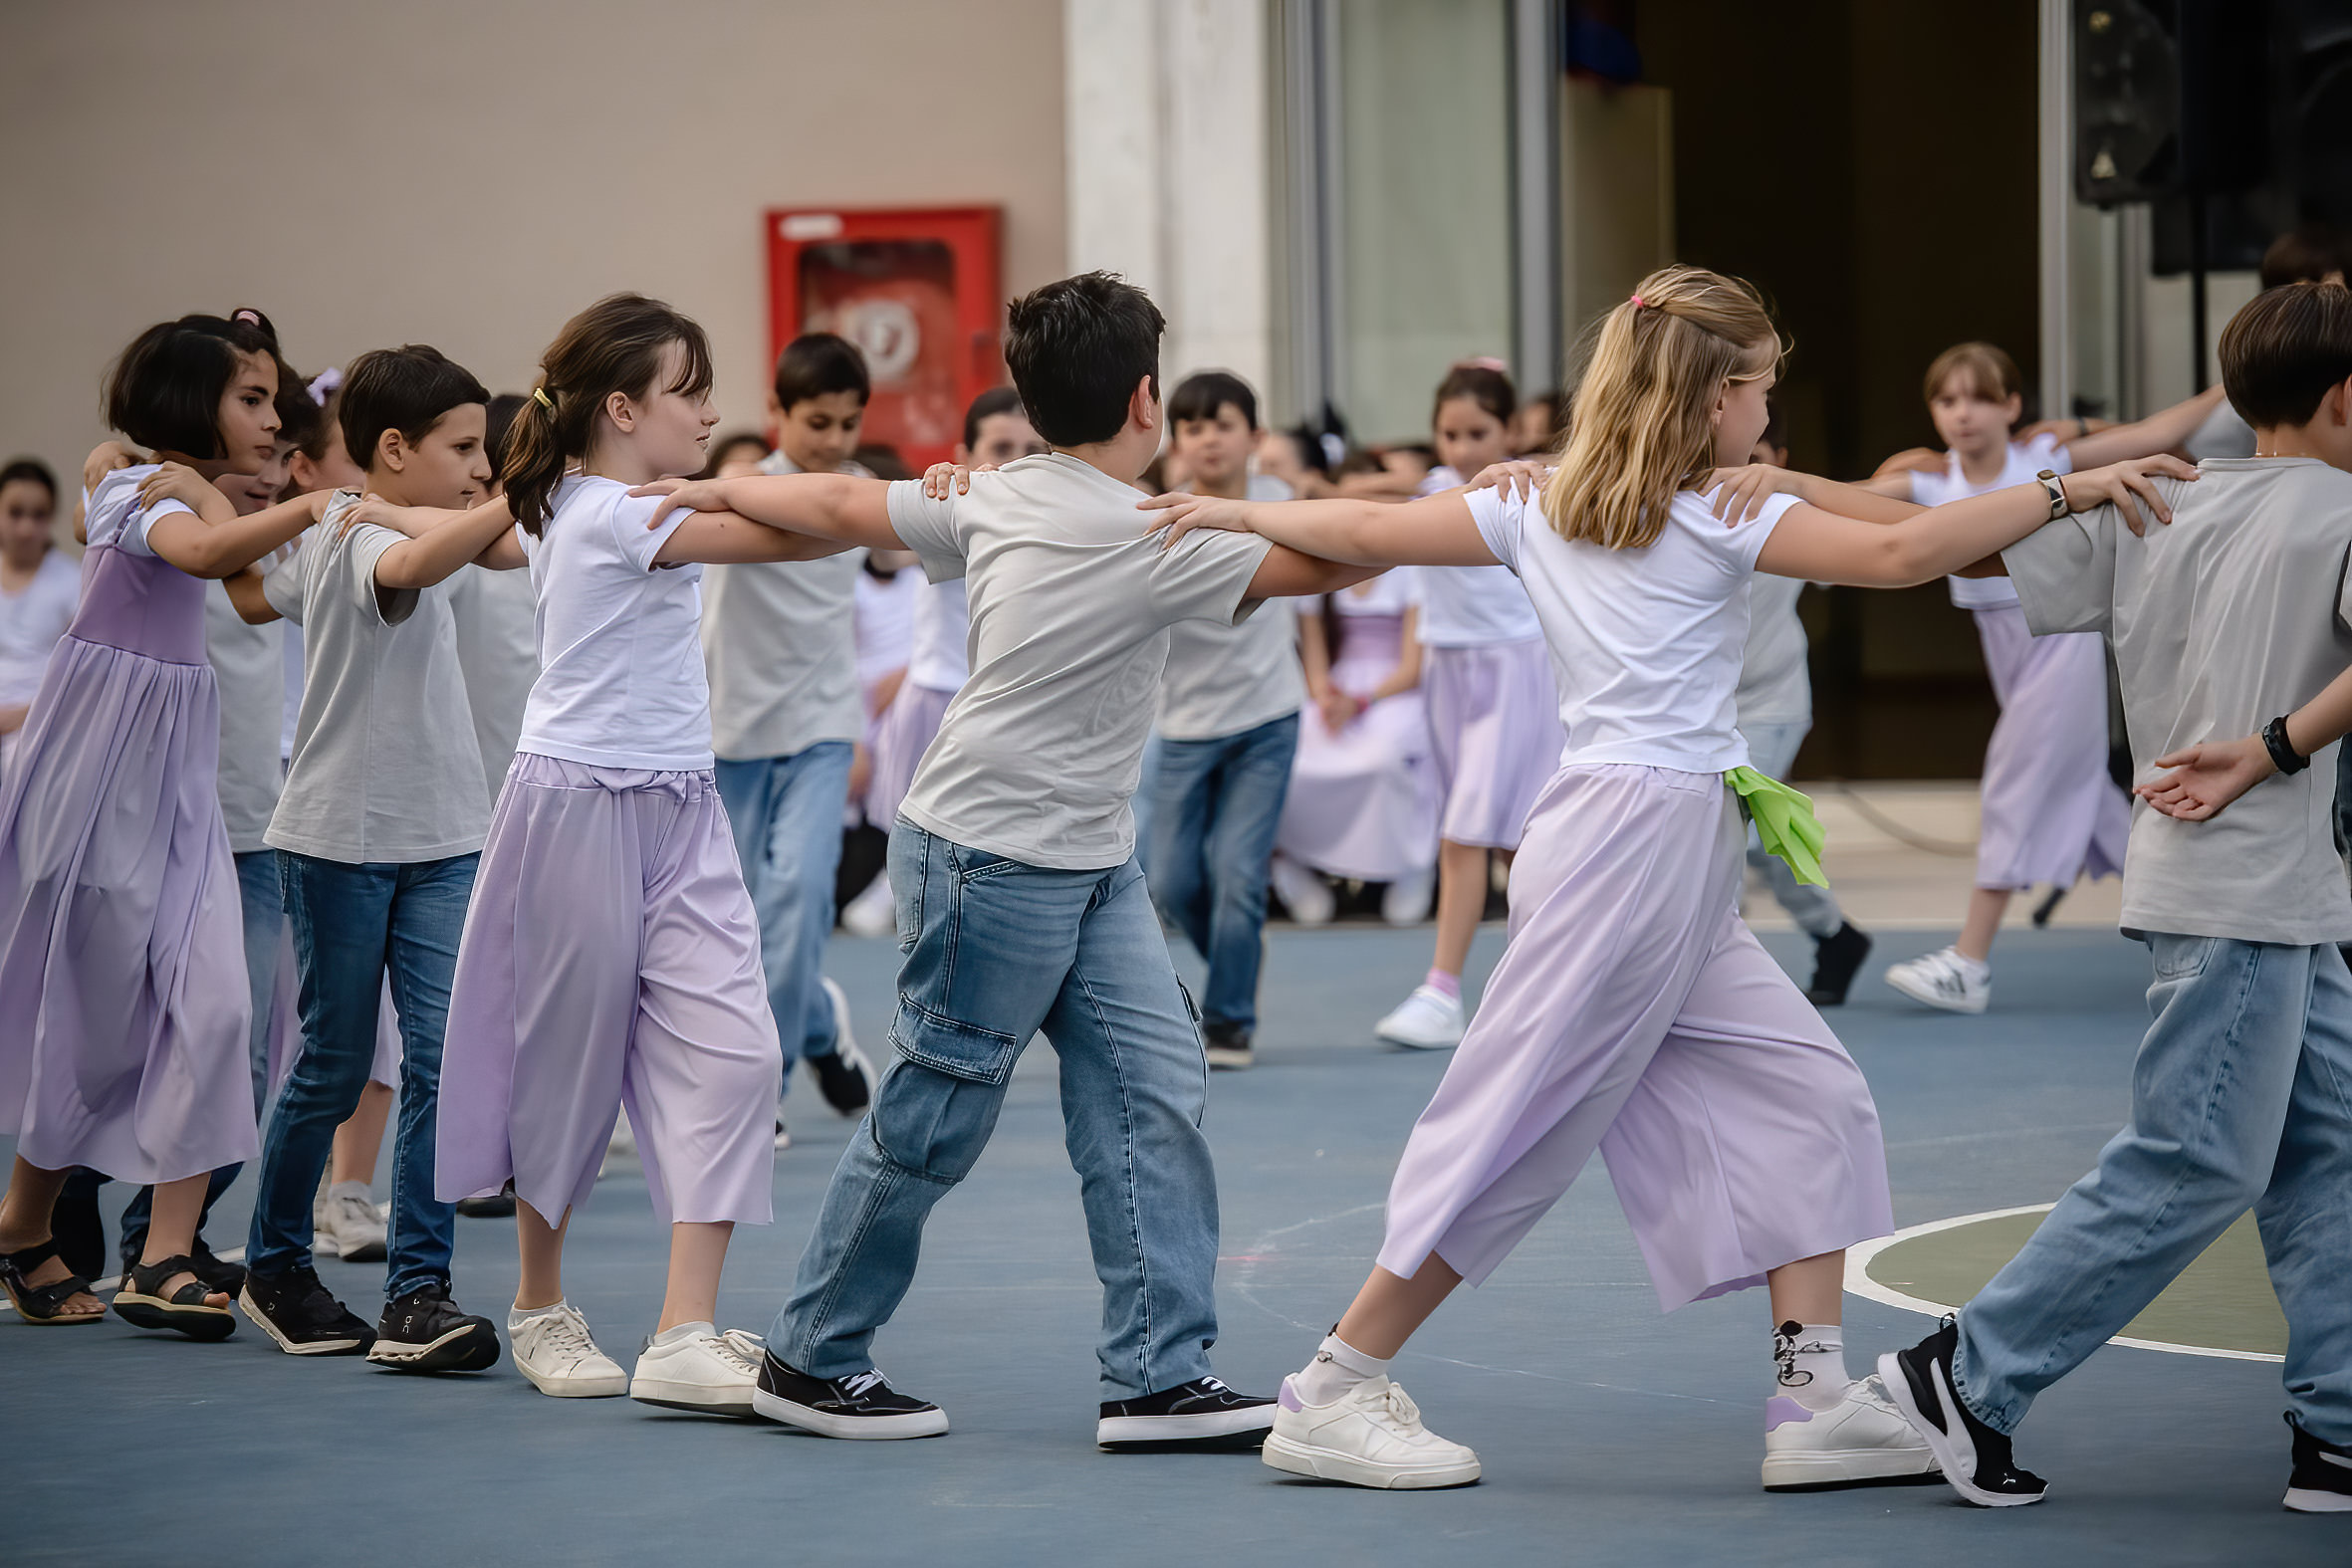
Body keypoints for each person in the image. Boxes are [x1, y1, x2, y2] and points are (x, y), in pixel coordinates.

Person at [1141, 263, 2195, 1492]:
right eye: (1759, 394)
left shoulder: (1546, 504)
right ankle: (1332, 1385)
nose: (1765, 418)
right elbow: (1907, 549)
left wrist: (1241, 514)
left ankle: (1810, 1403)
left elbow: (1368, 533)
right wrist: (2063, 488)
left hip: (1657, 841)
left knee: (1809, 1096)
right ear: (1711, 400)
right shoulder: (1699, 512)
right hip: (1630, 847)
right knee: (1516, 1122)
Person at [625, 271, 1377, 1447]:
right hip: (991, 853)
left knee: (1152, 1087)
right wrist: (1260, 511)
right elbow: (1345, 561)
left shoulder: (996, 495)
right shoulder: (1146, 536)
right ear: (1146, 401)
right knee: (934, 1114)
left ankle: (1158, 1376)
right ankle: (812, 1357)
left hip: (1081, 851)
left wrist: (691, 491)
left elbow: (833, 502)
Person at [1878, 279, 2352, 1513]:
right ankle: (1967, 1373)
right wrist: (2279, 744)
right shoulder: (2341, 511)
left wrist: (1792, 492)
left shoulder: (2161, 497)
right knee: (2197, 1157)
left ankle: (2340, 1430)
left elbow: (1942, 545)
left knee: (2330, 1152)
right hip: (2253, 888)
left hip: (2258, 892)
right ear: (2347, 398)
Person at [420, 293, 823, 1413]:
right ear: (621, 407)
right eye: (689, 392)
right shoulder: (605, 511)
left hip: (680, 801)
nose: (707, 412)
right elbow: (794, 529)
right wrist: (924, 508)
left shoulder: (596, 504)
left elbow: (792, 526)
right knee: (564, 1060)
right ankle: (540, 1306)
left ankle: (683, 1329)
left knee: (739, 1050)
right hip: (575, 802)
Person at [0, 312, 330, 1334]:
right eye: (251, 400)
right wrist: (322, 510)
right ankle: (21, 1227)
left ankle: (164, 1253)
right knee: (96, 1028)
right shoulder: (131, 488)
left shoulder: (204, 485)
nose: (272, 424)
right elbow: (204, 551)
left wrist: (303, 493)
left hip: (180, 782)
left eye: (275, 401)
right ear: (194, 404)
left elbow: (241, 533)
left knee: (221, 1010)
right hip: (100, 779)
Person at [234, 343, 517, 1372]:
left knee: (442, 1064)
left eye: (492, 453)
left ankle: (417, 1294)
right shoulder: (351, 535)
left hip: (444, 836)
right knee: (333, 1063)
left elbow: (503, 546)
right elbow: (410, 565)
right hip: (340, 842)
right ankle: (273, 1267)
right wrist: (517, 494)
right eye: (466, 449)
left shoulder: (419, 519)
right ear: (391, 451)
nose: (485, 469)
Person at [1867, 345, 2223, 1013]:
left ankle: (1968, 962)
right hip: (2007, 653)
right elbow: (1842, 504)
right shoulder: (1924, 478)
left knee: (2013, 779)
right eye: (1947, 400)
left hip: (2060, 641)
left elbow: (2153, 436)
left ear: (2011, 406)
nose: (1963, 413)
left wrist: (2228, 388)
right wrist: (1773, 482)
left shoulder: (2048, 459)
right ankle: (2208, 933)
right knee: (2099, 810)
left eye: (1978, 398)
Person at [701, 333, 878, 1147]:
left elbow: (937, 533)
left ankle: (758, 1091)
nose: (835, 441)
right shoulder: (738, 489)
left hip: (821, 728)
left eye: (848, 423)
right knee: (736, 920)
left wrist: (958, 487)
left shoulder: (867, 492)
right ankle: (815, 1027)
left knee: (800, 897)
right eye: (817, 422)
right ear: (776, 411)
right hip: (730, 731)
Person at [1374, 364, 1564, 1051]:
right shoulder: (1429, 489)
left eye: (1478, 432)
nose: (1462, 447)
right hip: (1449, 669)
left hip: (1513, 666)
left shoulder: (1534, 489)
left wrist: (1531, 464)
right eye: (1449, 433)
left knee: (1465, 834)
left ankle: (1441, 992)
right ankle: (1570, 974)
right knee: (1515, 843)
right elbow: (1365, 501)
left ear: (1510, 431)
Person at [1137, 369, 1304, 1071]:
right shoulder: (1161, 518)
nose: (1209, 438)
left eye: (1223, 424)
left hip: (1268, 718)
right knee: (1172, 879)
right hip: (1183, 725)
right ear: (1175, 442)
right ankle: (1236, 956)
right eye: (1194, 426)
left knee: (1239, 873)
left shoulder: (1282, 503)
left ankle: (1231, 1019)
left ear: (1256, 438)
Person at [842, 387, 1047, 943]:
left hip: (1011, 707)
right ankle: (900, 894)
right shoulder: (948, 504)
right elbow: (884, 551)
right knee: (923, 848)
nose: (1015, 459)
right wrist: (926, 492)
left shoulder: (1054, 520)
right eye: (1001, 445)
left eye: (1032, 447)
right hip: (937, 700)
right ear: (966, 451)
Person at [1736, 402, 1871, 1004]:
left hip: (1773, 704)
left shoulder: (1789, 513)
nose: (1741, 475)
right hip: (1704, 709)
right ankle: (1834, 933)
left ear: (1782, 463)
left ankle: (1716, 976)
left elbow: (1873, 534)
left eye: (1757, 462)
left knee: (1732, 839)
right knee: (1764, 840)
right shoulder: (1692, 507)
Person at [1268, 569, 1440, 928]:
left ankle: (1411, 863)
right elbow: (1315, 664)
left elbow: (1413, 667)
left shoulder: (1411, 574)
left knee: (1383, 759)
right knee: (1291, 758)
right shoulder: (1318, 576)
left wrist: (1361, 701)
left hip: (1392, 694)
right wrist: (1328, 701)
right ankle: (1293, 864)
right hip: (1337, 694)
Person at [0, 459, 76, 778]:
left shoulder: (74, 582)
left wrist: (27, 715)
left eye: (39, 515)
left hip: (41, 727)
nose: (26, 528)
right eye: (15, 513)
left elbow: (79, 673)